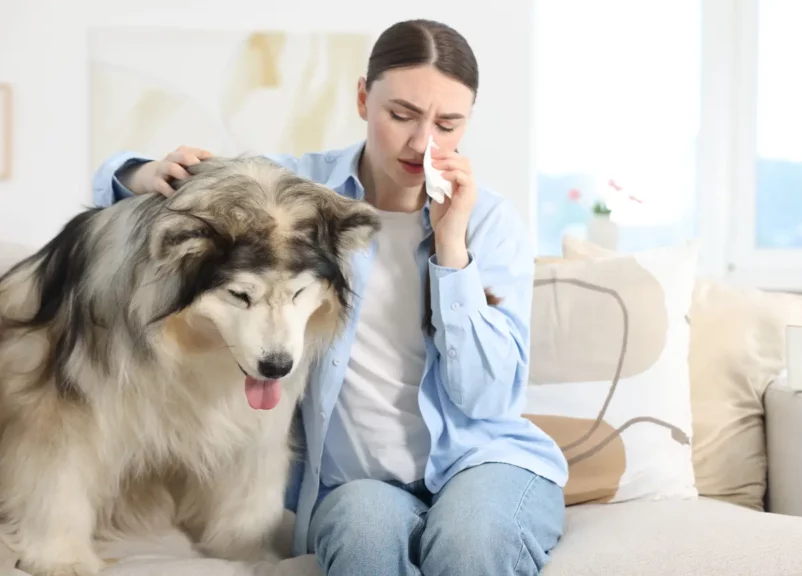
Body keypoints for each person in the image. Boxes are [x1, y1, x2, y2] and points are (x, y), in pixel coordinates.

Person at [90, 18, 569, 576]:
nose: (423, 143)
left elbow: (488, 398)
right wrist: (140, 171)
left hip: (482, 464)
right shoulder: (295, 195)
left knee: (470, 544)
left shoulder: (491, 223)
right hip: (356, 484)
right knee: (361, 541)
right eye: (402, 115)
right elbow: (119, 188)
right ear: (364, 99)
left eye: (448, 123)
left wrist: (451, 247)